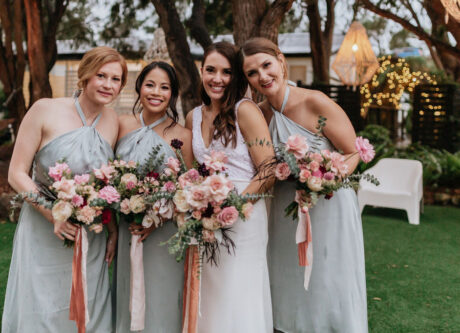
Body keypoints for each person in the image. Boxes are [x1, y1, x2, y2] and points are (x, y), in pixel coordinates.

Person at [240, 37, 368, 333]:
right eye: (252, 72)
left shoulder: (315, 101)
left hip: (329, 205)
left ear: (281, 61)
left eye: (267, 65)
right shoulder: (260, 114)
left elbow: (354, 151)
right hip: (286, 209)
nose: (263, 76)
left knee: (327, 275)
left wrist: (326, 180)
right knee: (289, 275)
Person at [2, 46, 127, 332]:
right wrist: (52, 214)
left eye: (116, 79)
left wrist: (113, 230)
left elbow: (108, 181)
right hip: (43, 229)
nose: (108, 85)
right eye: (101, 76)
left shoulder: (113, 122)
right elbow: (16, 173)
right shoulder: (45, 109)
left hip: (91, 233)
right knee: (44, 305)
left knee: (89, 305)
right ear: (84, 75)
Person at [185, 41, 275, 333]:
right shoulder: (193, 116)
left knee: (238, 291)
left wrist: (234, 206)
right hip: (206, 217)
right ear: (201, 71)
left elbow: (269, 169)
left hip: (245, 215)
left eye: (226, 72)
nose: (217, 79)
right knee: (211, 293)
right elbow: (193, 170)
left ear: (235, 76)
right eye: (210, 70)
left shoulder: (245, 110)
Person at [113, 61, 193, 333]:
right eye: (150, 84)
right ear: (139, 87)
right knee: (126, 294)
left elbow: (188, 187)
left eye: (164, 87)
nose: (156, 92)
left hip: (163, 233)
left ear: (173, 93)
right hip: (127, 230)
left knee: (162, 297)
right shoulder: (121, 124)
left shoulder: (183, 136)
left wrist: (157, 218)